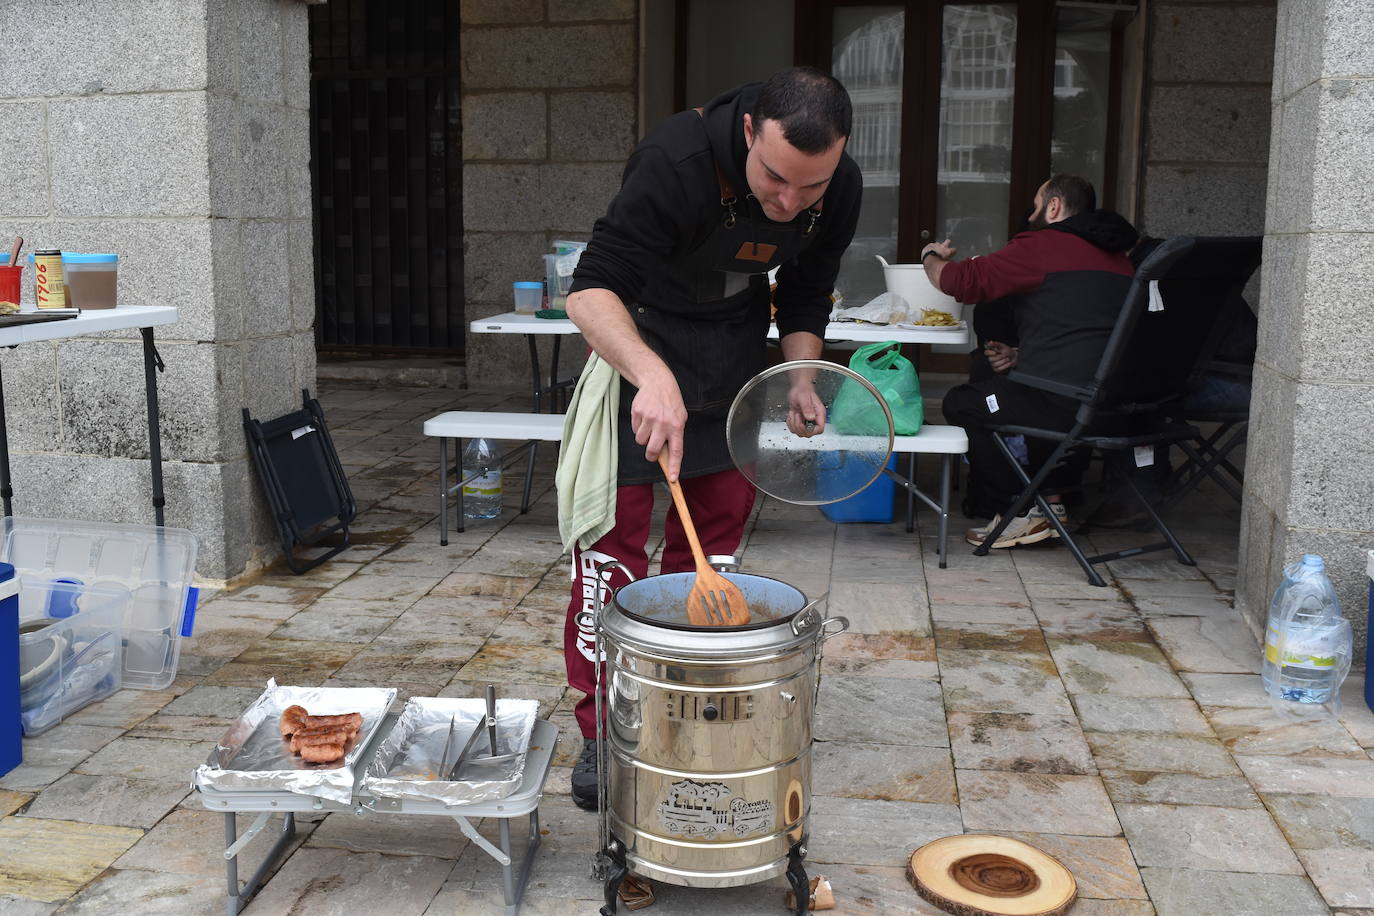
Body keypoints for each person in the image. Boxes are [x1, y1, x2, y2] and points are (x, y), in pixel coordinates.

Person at [561, 67, 862, 810]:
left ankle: (688, 701)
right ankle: (605, 728)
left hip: (733, 354)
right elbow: (590, 287)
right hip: (639, 339)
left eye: (810, 189)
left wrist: (799, 377)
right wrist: (648, 376)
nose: (789, 202)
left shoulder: (838, 186)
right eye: (775, 180)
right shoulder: (677, 160)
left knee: (711, 549)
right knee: (613, 552)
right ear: (751, 128)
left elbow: (803, 289)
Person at [920, 174, 1138, 548]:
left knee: (964, 402)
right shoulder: (1121, 260)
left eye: (1037, 203)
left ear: (1053, 206)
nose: (1032, 211)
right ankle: (1053, 503)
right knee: (1016, 391)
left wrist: (930, 256)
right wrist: (1021, 355)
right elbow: (1088, 333)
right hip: (1114, 404)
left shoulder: (1043, 246)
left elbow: (963, 282)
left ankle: (1022, 510)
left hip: (1063, 401)